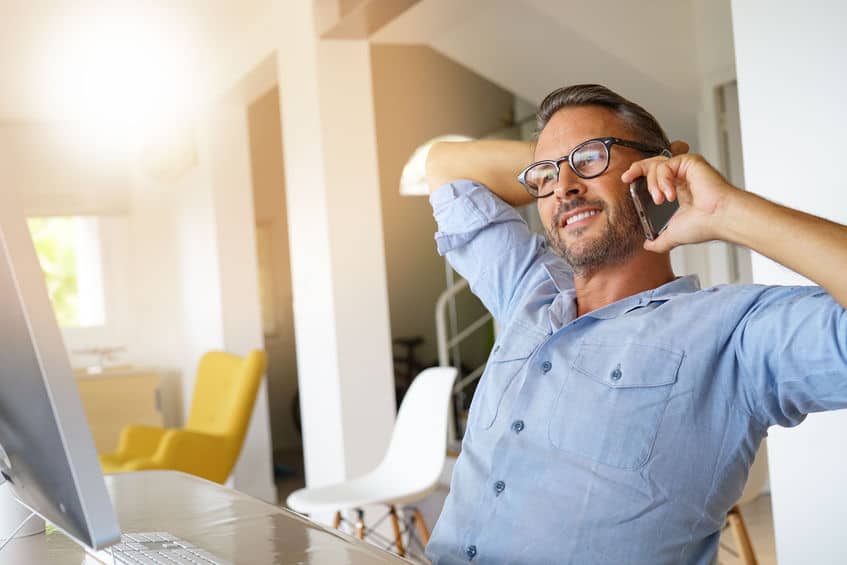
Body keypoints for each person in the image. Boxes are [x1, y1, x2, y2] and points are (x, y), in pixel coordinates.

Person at [422, 84, 847, 564]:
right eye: (544, 176)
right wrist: (573, 162)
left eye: (589, 158)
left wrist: (726, 211)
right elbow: (444, 165)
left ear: (652, 173)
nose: (562, 188)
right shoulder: (528, 292)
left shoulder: (733, 335)